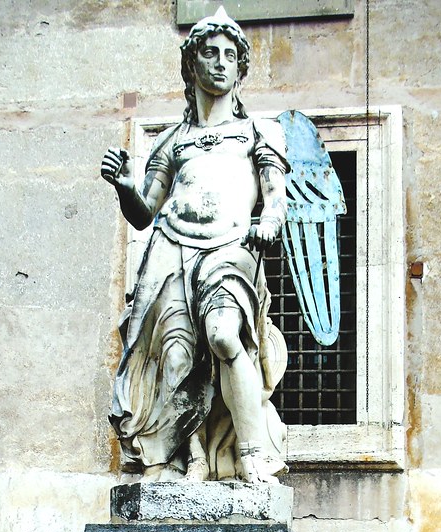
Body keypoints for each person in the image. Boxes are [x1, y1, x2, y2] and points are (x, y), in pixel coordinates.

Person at [101, 7, 289, 485]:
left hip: (231, 245)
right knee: (178, 359)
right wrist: (126, 186)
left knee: (225, 335)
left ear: (241, 70)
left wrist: (266, 224)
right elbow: (144, 213)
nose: (220, 63)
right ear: (193, 65)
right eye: (210, 53)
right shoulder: (172, 141)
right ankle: (190, 458)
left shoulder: (258, 133)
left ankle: (251, 457)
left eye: (231, 55)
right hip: (172, 249)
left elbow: (274, 200)